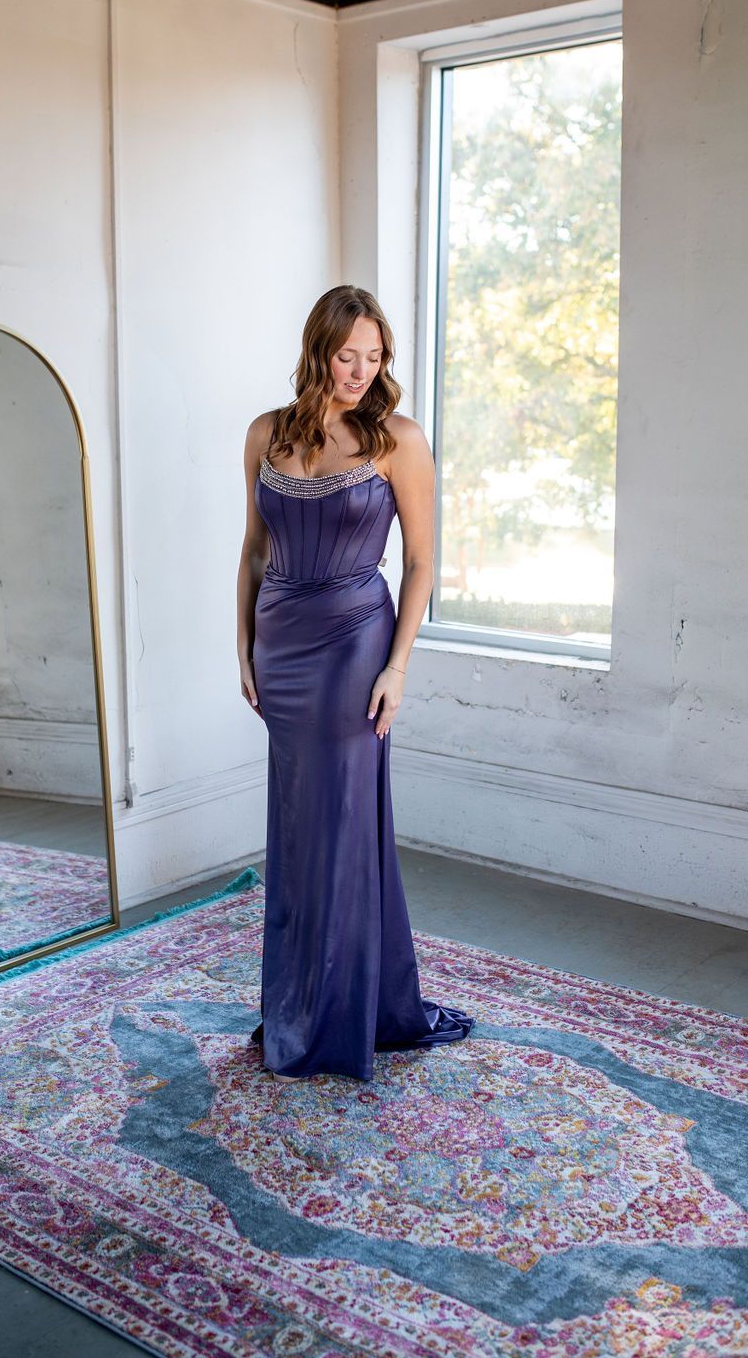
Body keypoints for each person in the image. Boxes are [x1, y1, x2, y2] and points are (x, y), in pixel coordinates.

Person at [238, 285, 474, 1081]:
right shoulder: (266, 434)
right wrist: (242, 645)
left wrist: (398, 665)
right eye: (348, 355)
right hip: (282, 645)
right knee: (299, 823)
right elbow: (254, 550)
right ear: (318, 350)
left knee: (342, 819)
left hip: (354, 642)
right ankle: (297, 999)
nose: (361, 371)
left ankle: (347, 1011)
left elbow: (419, 564)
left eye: (375, 358)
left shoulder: (398, 439)